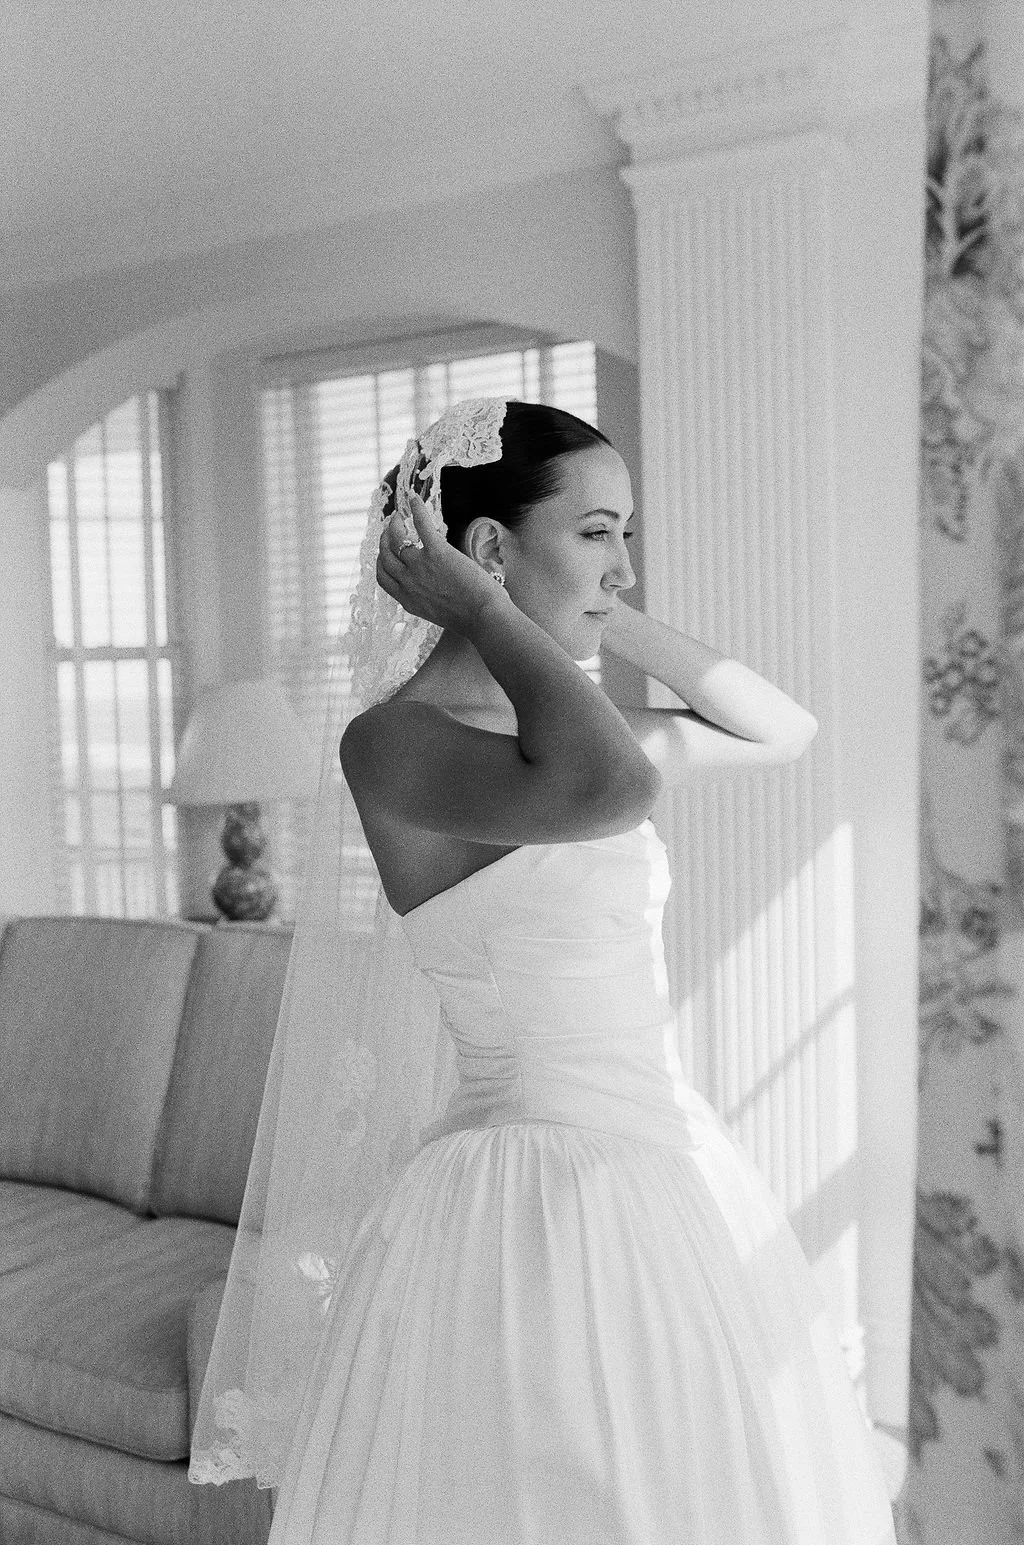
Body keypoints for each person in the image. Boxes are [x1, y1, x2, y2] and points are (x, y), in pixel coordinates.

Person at [189, 398, 897, 1544]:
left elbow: (783, 730)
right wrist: (487, 610)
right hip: (526, 1197)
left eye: (626, 534)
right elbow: (611, 791)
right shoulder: (395, 743)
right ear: (485, 549)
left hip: (663, 1167)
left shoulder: (569, 727)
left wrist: (605, 611)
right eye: (598, 531)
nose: (622, 561)